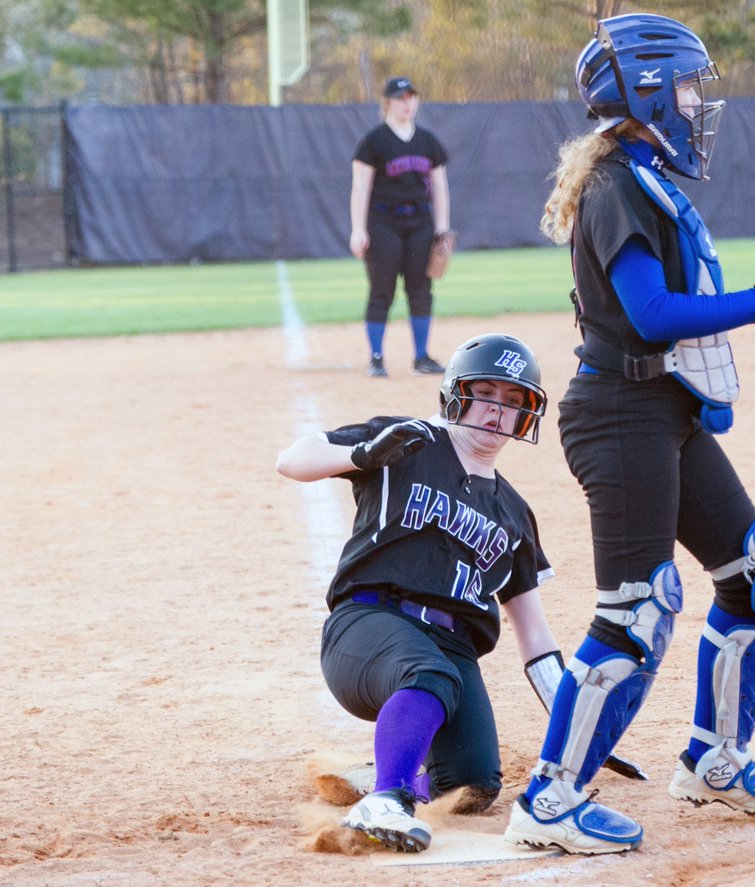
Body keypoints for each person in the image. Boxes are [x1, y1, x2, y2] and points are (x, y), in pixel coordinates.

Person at [502, 14, 755, 856]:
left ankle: (715, 759)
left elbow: (676, 308)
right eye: (683, 86)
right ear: (643, 93)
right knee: (636, 610)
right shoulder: (617, 185)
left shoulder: (639, 174)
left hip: (662, 409)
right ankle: (550, 797)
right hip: (619, 415)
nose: (695, 102)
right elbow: (649, 314)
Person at [277, 333, 566, 854]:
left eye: (512, 400)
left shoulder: (514, 513)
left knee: (471, 786)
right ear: (457, 394)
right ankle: (386, 799)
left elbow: (535, 635)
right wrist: (361, 455)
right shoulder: (407, 442)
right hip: (369, 624)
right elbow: (293, 459)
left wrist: (574, 721)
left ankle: (386, 771)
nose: (497, 410)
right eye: (485, 393)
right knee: (429, 673)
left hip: (453, 648)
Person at [349, 76, 452, 377]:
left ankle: (421, 357)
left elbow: (440, 186)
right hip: (383, 222)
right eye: (400, 98)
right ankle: (376, 358)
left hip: (420, 222)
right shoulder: (374, 141)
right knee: (382, 290)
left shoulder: (428, 141)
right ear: (387, 103)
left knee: (421, 290)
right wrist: (358, 229)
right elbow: (360, 188)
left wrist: (442, 227)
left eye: (411, 97)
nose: (407, 103)